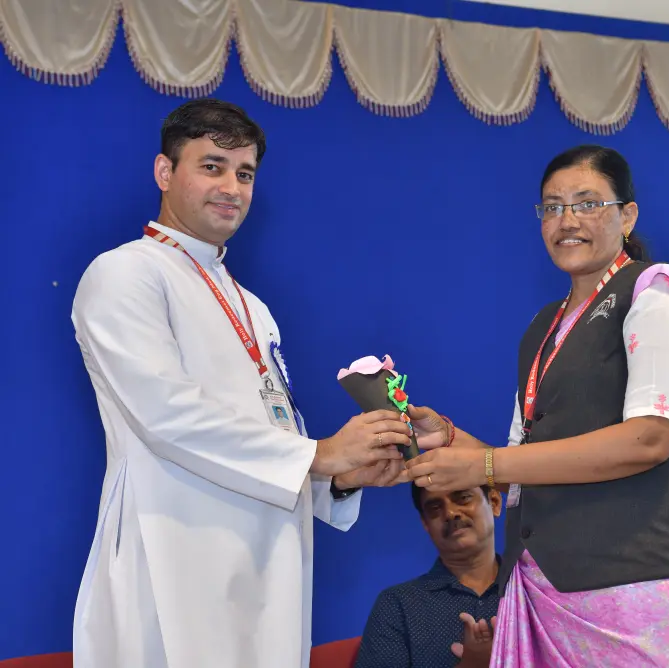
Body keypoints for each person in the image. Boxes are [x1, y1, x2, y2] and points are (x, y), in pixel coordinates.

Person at [70, 98, 410, 668]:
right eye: (212, 166)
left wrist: (338, 478)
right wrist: (319, 455)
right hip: (173, 552)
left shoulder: (252, 306)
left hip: (267, 563)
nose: (232, 187)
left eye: (245, 173)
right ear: (164, 171)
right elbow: (166, 417)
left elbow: (272, 428)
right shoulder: (124, 273)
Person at [401, 145, 669, 666]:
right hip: (543, 593)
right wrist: (452, 439)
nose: (567, 220)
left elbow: (649, 439)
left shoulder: (658, 290)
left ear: (627, 215)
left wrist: (483, 465)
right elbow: (521, 463)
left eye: (587, 203)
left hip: (638, 589)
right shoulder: (542, 326)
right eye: (552, 207)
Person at [355, 484, 502, 668]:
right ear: (425, 523)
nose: (450, 513)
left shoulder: (532, 589)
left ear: (494, 502)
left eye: (463, 498)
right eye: (435, 508)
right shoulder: (397, 605)